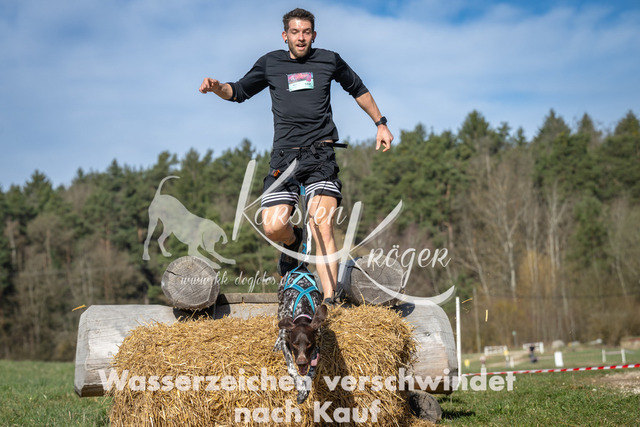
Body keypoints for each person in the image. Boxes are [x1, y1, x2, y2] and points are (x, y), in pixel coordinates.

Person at [199, 8, 393, 305]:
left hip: (320, 156)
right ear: (284, 35)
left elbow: (358, 89)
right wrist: (216, 88)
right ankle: (294, 242)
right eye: (295, 32)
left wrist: (380, 123)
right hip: (284, 159)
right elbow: (237, 91)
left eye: (306, 32)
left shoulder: (329, 60)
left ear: (313, 35)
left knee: (322, 224)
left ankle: (330, 301)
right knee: (273, 226)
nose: (300, 37)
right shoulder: (270, 63)